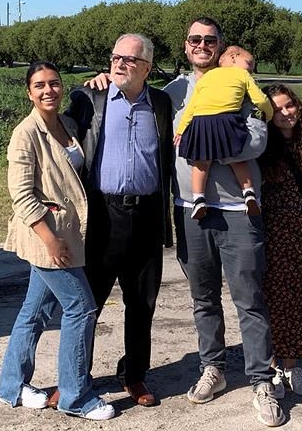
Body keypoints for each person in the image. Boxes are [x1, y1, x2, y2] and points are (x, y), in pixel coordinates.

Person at [165, 17, 284, 427]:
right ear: (186, 46)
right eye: (195, 39)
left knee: (249, 298)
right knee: (203, 298)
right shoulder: (173, 92)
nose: (202, 45)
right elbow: (142, 111)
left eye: (209, 39)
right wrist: (102, 80)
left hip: (239, 210)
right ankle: (213, 368)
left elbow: (258, 139)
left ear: (220, 46)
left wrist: (207, 144)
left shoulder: (239, 82)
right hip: (190, 207)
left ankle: (262, 381)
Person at [0, 61, 114, 421]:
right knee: (81, 308)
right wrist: (50, 241)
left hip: (69, 232)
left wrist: (98, 80)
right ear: (29, 92)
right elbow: (22, 197)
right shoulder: (25, 133)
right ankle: (75, 397)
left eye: (54, 83)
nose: (48, 90)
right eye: (40, 85)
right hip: (46, 237)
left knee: (35, 312)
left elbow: (86, 103)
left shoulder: (67, 124)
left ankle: (11, 385)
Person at [63, 33, 173, 408]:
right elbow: (58, 133)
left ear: (147, 68)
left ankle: (134, 375)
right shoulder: (90, 98)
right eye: (115, 58)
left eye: (129, 59)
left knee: (141, 303)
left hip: (146, 215)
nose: (120, 64)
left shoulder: (161, 103)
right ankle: (75, 377)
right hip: (101, 216)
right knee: (88, 302)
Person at [259, 84, 302, 399]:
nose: (285, 113)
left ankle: (291, 365)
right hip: (268, 233)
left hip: (298, 234)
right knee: (270, 298)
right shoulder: (262, 145)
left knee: (296, 295)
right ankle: (272, 366)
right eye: (277, 110)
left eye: (289, 106)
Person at [173, 45, 273, 219]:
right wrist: (268, 114)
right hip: (228, 120)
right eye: (249, 63)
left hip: (201, 122)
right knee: (237, 159)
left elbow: (192, 107)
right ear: (233, 57)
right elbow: (260, 99)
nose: (251, 69)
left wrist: (181, 130)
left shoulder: (207, 77)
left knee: (200, 163)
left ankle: (198, 199)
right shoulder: (242, 75)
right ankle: (248, 193)